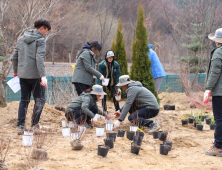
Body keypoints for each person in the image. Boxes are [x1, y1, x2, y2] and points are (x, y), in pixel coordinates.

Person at [12, 18, 51, 135]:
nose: (46, 33)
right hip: (35, 76)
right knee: (40, 99)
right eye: (46, 31)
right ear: (42, 28)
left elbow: (14, 57)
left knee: (24, 100)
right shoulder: (40, 39)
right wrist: (43, 76)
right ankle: (34, 125)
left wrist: (15, 72)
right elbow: (39, 58)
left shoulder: (21, 38)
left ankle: (20, 126)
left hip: (23, 75)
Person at [204, 28, 222, 157]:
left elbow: (215, 72)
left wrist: (208, 88)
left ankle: (218, 146)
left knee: (220, 119)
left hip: (220, 93)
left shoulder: (218, 53)